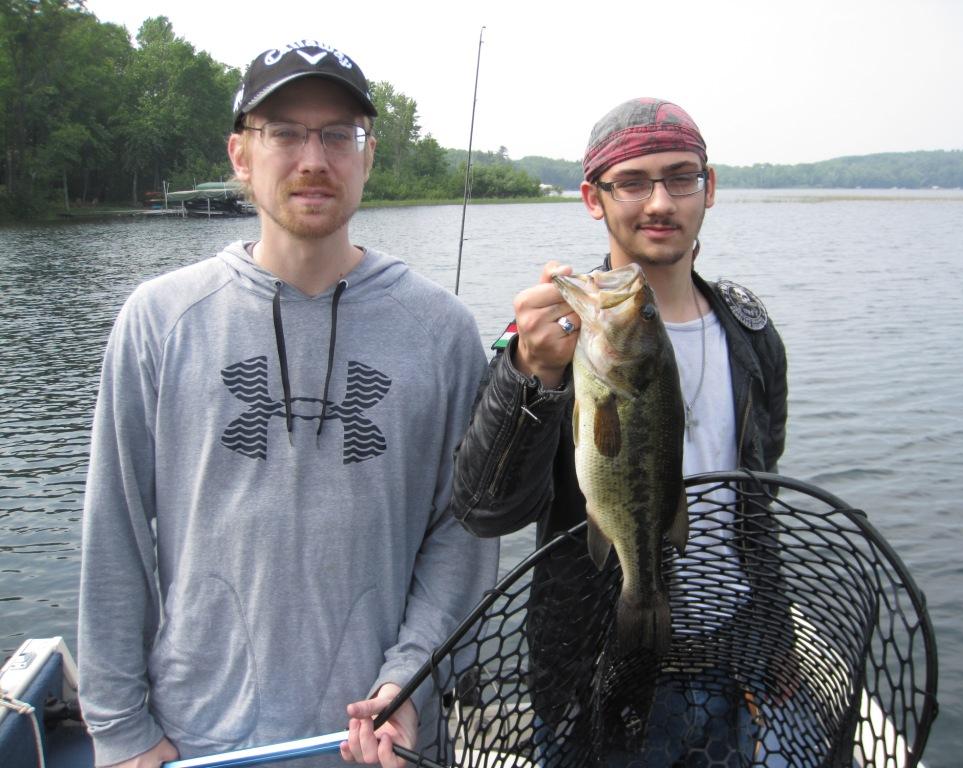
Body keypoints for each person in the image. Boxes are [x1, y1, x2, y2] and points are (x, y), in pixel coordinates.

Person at [77, 40, 498, 768]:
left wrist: (410, 680)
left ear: (368, 156)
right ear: (241, 155)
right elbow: (113, 531)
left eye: (340, 135)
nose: (314, 158)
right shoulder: (159, 319)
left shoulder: (445, 331)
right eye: (285, 132)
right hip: (200, 738)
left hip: (379, 740)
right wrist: (120, 730)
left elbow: (461, 536)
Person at [450, 98, 792, 766]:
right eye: (633, 181)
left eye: (680, 177)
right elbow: (486, 510)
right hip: (588, 671)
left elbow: (760, 499)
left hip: (734, 651)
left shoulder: (754, 335)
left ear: (709, 188)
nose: (660, 201)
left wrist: (774, 634)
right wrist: (532, 376)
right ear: (593, 198)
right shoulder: (551, 338)